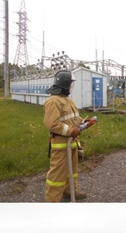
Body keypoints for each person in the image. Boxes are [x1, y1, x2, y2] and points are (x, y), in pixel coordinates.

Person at [43, 70, 96, 202]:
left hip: (72, 143)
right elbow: (52, 124)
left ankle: (70, 192)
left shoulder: (67, 100)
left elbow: (73, 118)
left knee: (72, 171)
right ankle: (52, 201)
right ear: (65, 84)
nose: (71, 87)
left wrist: (84, 123)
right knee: (57, 175)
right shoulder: (53, 101)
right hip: (61, 145)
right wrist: (72, 131)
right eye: (70, 84)